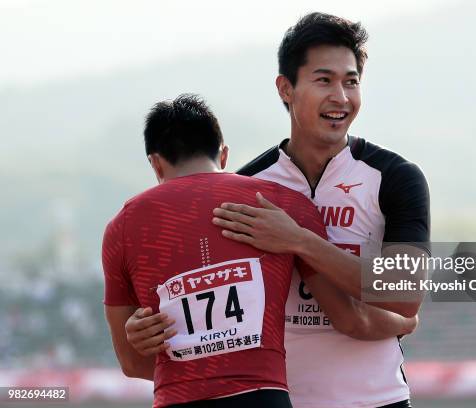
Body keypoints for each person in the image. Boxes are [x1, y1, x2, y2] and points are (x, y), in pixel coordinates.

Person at [103, 94, 418, 408]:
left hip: (177, 398)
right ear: (224, 155)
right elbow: (349, 319)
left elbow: (133, 364)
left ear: (155, 163)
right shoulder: (283, 206)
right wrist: (403, 322)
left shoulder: (122, 227)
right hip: (262, 398)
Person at [211, 12, 430, 408]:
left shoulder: (396, 177)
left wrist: (298, 241)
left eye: (351, 81)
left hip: (379, 401)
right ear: (286, 88)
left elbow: (404, 293)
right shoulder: (246, 187)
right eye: (324, 80)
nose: (341, 98)